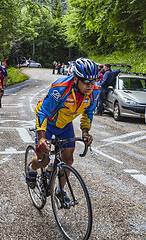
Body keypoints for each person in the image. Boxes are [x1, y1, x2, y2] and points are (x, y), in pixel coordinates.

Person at [26, 57, 99, 201]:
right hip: (48, 122)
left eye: (93, 81)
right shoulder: (60, 88)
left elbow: (88, 113)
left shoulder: (94, 92)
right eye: (86, 81)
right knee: (44, 161)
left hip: (65, 124)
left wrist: (85, 132)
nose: (90, 85)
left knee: (68, 160)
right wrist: (41, 137)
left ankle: (60, 190)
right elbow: (43, 112)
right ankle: (31, 168)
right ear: (76, 79)